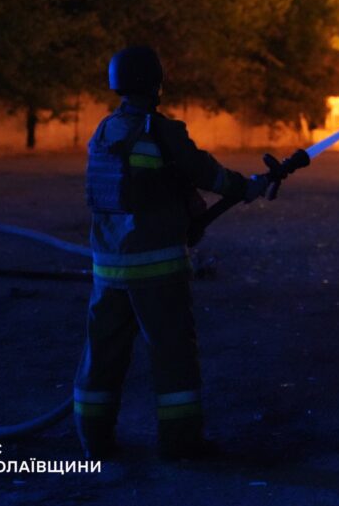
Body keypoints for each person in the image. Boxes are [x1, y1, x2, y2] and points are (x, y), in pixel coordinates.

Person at [75, 46, 268, 460]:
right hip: (156, 270)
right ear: (156, 83)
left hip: (108, 270)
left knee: (103, 355)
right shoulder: (160, 131)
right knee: (172, 353)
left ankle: (94, 440)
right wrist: (247, 187)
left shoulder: (104, 131)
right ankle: (180, 443)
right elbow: (207, 173)